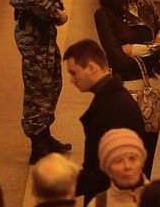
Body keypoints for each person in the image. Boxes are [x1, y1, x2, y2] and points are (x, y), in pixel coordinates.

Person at [94, 0, 160, 175]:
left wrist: (135, 49)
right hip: (124, 94)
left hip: (151, 92)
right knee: (129, 161)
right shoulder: (104, 15)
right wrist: (154, 46)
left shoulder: (147, 5)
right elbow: (119, 62)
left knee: (147, 161)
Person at [9, 0, 70, 163]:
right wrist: (58, 15)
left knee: (52, 82)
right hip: (33, 32)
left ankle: (45, 134)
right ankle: (37, 144)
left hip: (44, 33)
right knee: (37, 87)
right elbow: (36, 0)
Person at [63, 39, 145, 203]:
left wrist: (64, 188)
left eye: (73, 73)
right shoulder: (113, 98)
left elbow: (107, 171)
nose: (72, 80)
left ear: (91, 68)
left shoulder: (114, 107)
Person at [87, 129, 149, 206]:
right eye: (118, 161)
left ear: (142, 163)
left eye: (132, 158)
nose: (127, 166)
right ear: (108, 170)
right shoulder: (97, 204)